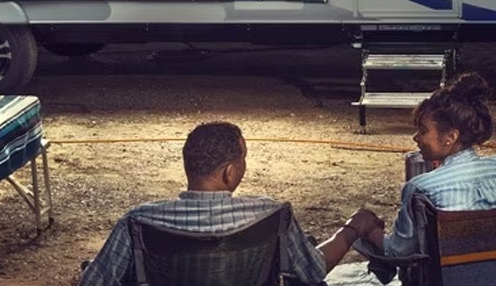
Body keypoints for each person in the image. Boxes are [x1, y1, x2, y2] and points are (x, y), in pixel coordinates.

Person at [78, 122, 333, 286]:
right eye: (243, 159)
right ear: (229, 172)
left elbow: (93, 282)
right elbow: (313, 272)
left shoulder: (139, 221)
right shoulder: (271, 215)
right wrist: (350, 230)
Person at [341, 72, 496, 260]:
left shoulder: (421, 188)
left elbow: (398, 251)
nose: (416, 138)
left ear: (450, 137)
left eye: (423, 131)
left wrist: (369, 230)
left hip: (451, 274)